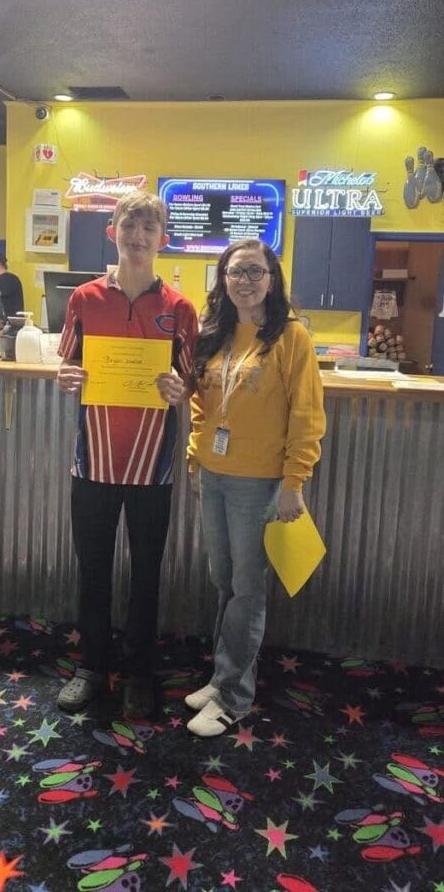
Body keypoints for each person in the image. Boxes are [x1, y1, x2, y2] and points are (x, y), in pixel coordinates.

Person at [56, 191, 198, 718]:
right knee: (92, 569)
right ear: (112, 231)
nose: (138, 236)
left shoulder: (180, 308)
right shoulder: (84, 298)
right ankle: (91, 667)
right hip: (92, 461)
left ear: (163, 239)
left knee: (146, 574)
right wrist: (65, 377)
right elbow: (67, 363)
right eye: (129, 225)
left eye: (149, 228)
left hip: (152, 467)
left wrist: (180, 388)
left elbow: (192, 379)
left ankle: (139, 673)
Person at [185, 238, 326, 737]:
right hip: (214, 476)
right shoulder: (215, 332)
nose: (244, 281)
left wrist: (294, 482)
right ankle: (222, 676)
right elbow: (202, 403)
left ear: (271, 279)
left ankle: (234, 697)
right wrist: (196, 456)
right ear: (222, 279)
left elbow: (307, 415)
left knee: (247, 589)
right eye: (235, 271)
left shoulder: (291, 337)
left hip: (259, 482)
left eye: (254, 271)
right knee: (224, 581)